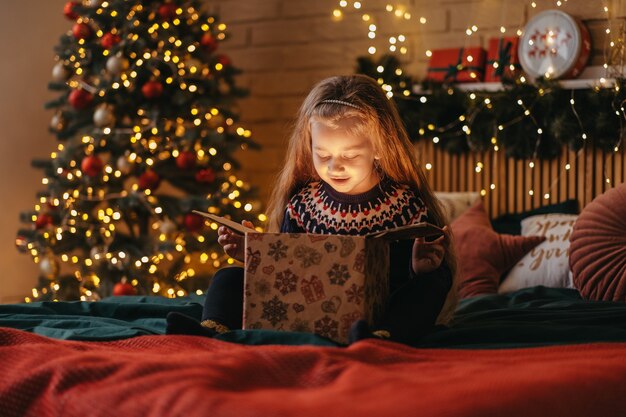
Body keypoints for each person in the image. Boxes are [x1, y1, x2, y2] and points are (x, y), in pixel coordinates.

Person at [167, 74, 457, 345]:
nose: (334, 166)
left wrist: (419, 269)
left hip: (376, 313)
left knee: (431, 284)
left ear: (379, 148)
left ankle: (382, 339)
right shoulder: (303, 205)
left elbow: (407, 281)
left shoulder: (404, 204)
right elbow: (285, 271)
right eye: (323, 155)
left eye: (350, 155)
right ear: (310, 147)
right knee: (228, 276)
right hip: (308, 308)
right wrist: (255, 256)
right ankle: (210, 330)